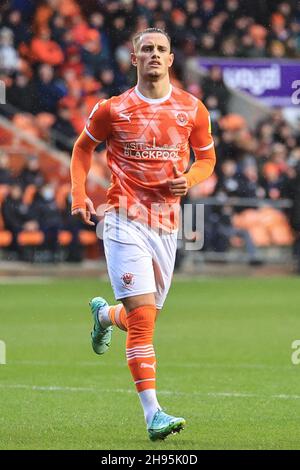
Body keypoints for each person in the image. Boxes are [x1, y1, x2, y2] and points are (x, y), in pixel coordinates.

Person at [70, 28, 216, 441]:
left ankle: (103, 315)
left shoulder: (192, 109)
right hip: (121, 220)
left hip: (166, 226)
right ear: (134, 59)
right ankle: (154, 414)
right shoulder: (113, 109)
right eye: (146, 49)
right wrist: (80, 194)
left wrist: (190, 178)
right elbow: (83, 148)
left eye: (161, 49)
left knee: (141, 314)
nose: (154, 55)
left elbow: (207, 158)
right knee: (144, 322)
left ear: (171, 59)